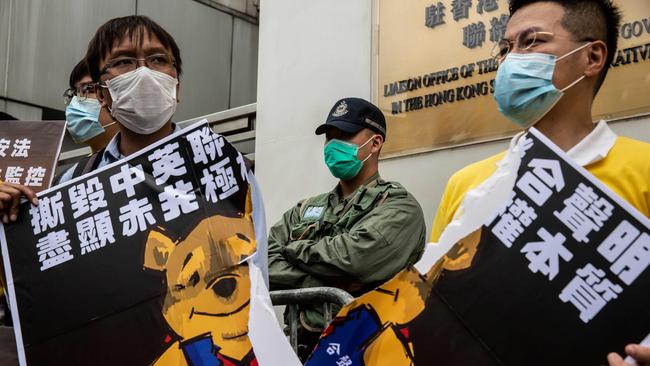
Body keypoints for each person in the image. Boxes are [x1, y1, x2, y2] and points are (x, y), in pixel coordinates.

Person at [428, 0, 650, 364]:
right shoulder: (466, 184)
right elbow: (432, 301)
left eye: (532, 42)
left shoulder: (643, 170)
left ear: (592, 57)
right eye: (506, 48)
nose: (511, 60)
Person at [268, 97, 427, 360]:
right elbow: (263, 260)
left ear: (375, 143)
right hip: (303, 350)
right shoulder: (305, 209)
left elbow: (353, 261)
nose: (333, 145)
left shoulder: (400, 207)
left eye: (345, 135)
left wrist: (293, 250)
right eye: (330, 136)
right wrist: (332, 283)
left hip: (370, 349)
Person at [56, 58, 120, 183]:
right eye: (74, 93)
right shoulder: (70, 178)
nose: (76, 101)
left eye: (88, 89)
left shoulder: (154, 161)